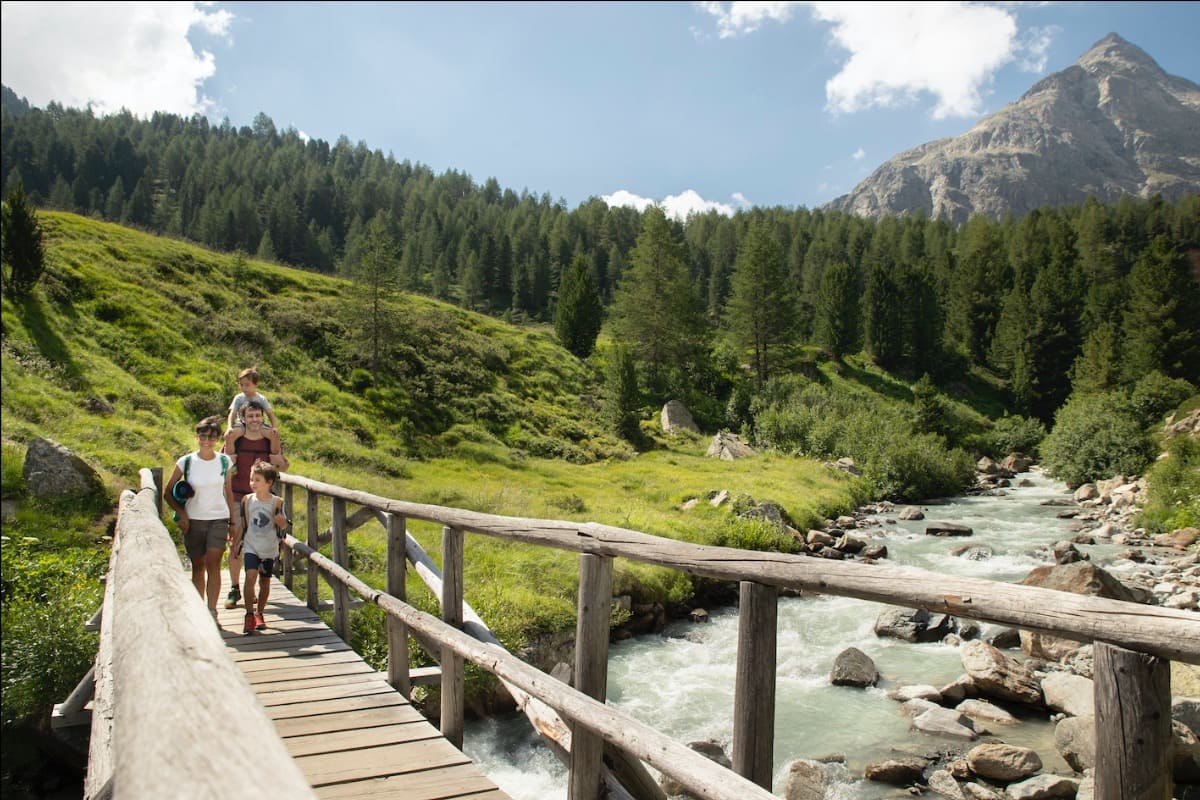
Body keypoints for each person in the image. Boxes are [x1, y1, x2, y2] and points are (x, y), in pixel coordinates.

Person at [163, 416, 239, 621]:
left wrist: (232, 522)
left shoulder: (224, 461)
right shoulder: (186, 461)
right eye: (203, 436)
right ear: (197, 437)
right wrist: (182, 513)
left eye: (212, 437)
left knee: (214, 564)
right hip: (193, 521)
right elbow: (167, 492)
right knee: (198, 567)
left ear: (217, 439)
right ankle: (199, 613)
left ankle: (212, 611)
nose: (207, 440)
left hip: (218, 518)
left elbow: (229, 493)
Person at [223, 400, 289, 609]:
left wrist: (276, 444)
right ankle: (235, 588)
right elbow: (225, 466)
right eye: (250, 416)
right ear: (243, 418)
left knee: (262, 543)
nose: (255, 420)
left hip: (263, 500)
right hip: (237, 497)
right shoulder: (237, 439)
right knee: (236, 544)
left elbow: (283, 466)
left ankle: (251, 589)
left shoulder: (269, 439)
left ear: (263, 417)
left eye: (258, 416)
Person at [239, 461, 288, 634]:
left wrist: (283, 524)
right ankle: (249, 615)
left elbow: (284, 526)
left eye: (257, 480)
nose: (252, 483)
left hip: (269, 548)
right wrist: (236, 541)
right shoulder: (247, 500)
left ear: (269, 483)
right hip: (251, 545)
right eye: (251, 479)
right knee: (250, 577)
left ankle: (260, 612)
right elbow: (243, 524)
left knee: (264, 582)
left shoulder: (277, 502)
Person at [224, 367, 279, 451]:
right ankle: (230, 459)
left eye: (247, 385)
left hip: (258, 425)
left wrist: (274, 427)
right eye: (241, 385)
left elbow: (270, 414)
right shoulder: (239, 398)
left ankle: (275, 459)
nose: (243, 388)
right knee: (229, 435)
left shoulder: (261, 399)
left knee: (274, 435)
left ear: (256, 384)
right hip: (242, 424)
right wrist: (229, 427)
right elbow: (232, 413)